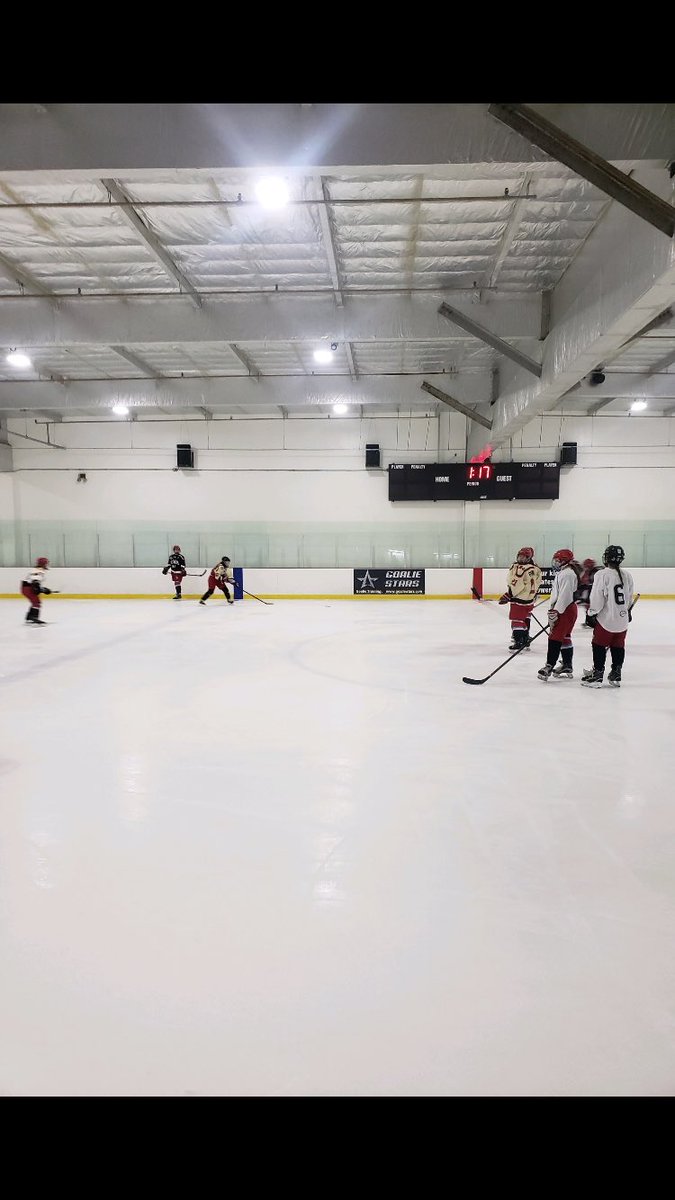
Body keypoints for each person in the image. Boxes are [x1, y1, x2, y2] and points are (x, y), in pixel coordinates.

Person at [581, 546, 635, 688]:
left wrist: (591, 613)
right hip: (622, 621)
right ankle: (616, 673)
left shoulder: (602, 574)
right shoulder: (627, 575)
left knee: (598, 645)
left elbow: (597, 597)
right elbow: (629, 598)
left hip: (606, 620)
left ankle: (598, 675)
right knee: (618, 646)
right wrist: (627, 611)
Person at [537, 549, 582, 681]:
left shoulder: (567, 574)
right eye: (555, 560)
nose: (555, 562)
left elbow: (565, 595)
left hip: (565, 609)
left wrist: (556, 611)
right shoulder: (564, 572)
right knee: (565, 637)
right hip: (567, 609)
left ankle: (549, 666)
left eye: (558, 560)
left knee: (554, 638)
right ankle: (567, 665)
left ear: (565, 561)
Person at [499, 547, 542, 652]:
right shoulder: (536, 568)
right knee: (525, 618)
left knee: (517, 621)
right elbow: (538, 583)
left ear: (529, 558)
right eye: (520, 556)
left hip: (519, 599)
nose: (521, 559)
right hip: (530, 601)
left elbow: (516, 585)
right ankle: (526, 638)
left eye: (524, 557)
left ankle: (519, 641)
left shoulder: (520, 568)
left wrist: (508, 595)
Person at [21, 556, 57, 624]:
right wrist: (42, 590)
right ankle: (34, 618)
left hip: (27, 587)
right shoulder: (39, 571)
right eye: (46, 563)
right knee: (37, 602)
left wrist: (43, 589)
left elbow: (35, 583)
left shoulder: (38, 570)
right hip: (27, 588)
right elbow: (35, 582)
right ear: (43, 564)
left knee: (35, 602)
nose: (47, 565)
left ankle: (29, 617)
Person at [576, 558, 599, 627]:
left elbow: (590, 583)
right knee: (588, 607)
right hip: (588, 593)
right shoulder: (587, 572)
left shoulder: (595, 572)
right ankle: (590, 621)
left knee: (591, 607)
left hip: (593, 593)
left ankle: (594, 621)